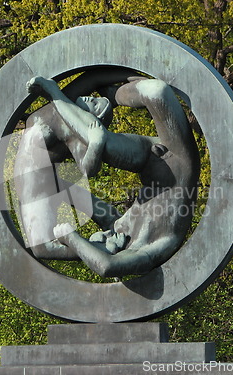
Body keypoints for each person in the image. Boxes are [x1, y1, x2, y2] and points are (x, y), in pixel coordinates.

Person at [17, 73, 200, 277]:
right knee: (157, 91)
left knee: (102, 143)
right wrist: (71, 238)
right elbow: (107, 266)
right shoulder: (156, 245)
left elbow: (78, 198)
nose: (105, 235)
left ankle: (62, 95)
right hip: (177, 160)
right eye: (103, 240)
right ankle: (106, 95)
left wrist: (46, 183)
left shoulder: (116, 227)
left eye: (100, 238)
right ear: (114, 250)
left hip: (150, 159)